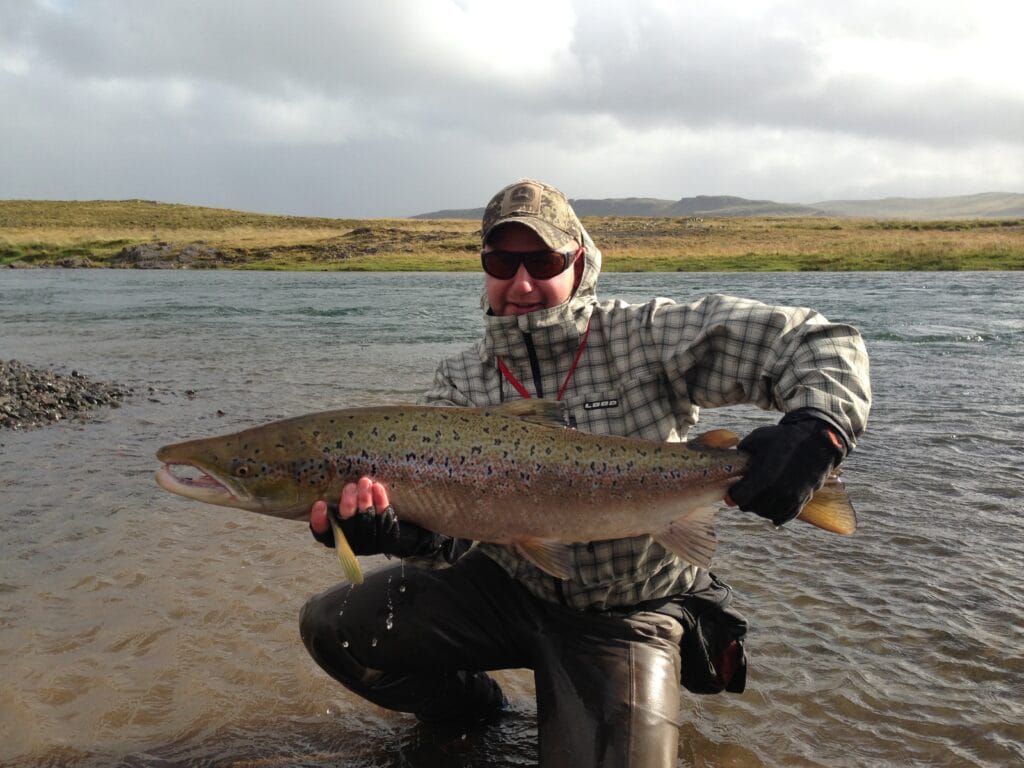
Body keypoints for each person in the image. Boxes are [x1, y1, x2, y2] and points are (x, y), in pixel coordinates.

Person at [299, 179, 871, 767]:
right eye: (502, 261)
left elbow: (821, 342)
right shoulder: (461, 382)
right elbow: (451, 536)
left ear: (579, 261)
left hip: (627, 609)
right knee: (333, 625)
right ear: (484, 267)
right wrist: (401, 533)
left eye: (542, 260)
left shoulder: (648, 336)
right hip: (508, 590)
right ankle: (470, 715)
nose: (521, 283)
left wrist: (820, 429)